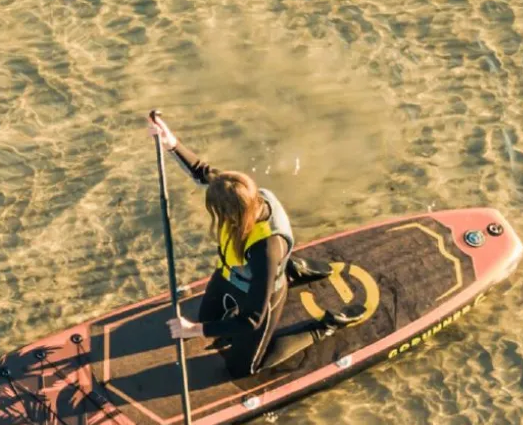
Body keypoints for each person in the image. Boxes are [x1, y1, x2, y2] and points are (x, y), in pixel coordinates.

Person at [148, 111, 362, 378]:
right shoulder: (243, 194)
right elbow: (204, 173)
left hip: (261, 290)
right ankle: (292, 268)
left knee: (242, 368)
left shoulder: (266, 248)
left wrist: (193, 330)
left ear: (233, 214)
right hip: (234, 276)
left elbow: (252, 318)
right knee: (208, 320)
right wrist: (171, 143)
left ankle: (323, 326)